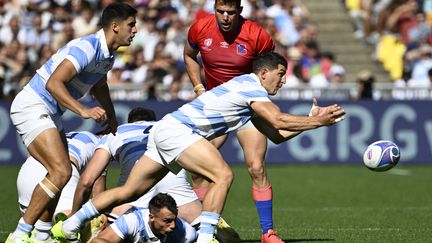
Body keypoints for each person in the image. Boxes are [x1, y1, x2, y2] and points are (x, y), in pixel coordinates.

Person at [53, 52, 345, 243]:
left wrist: (310, 119)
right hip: (178, 131)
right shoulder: (251, 86)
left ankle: (71, 224)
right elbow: (279, 117)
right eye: (281, 73)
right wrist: (319, 123)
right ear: (264, 72)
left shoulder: (250, 94)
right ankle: (205, 240)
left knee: (129, 192)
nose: (283, 80)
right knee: (224, 176)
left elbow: (278, 133)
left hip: (165, 130)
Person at [7, 3, 137, 243]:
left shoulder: (108, 55)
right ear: (115, 26)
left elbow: (100, 86)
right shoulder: (87, 47)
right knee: (61, 171)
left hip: (49, 110)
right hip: (32, 104)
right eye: (131, 25)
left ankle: (42, 236)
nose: (135, 30)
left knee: (60, 174)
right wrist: (83, 111)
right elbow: (53, 83)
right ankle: (20, 235)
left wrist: (112, 117)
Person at [183, 0, 282, 241]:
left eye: (231, 12)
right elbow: (189, 55)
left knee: (256, 167)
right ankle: (206, 224)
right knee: (197, 170)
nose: (225, 17)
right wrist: (198, 87)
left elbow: (268, 70)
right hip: (216, 107)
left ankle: (267, 232)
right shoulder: (199, 29)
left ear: (240, 11)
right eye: (221, 12)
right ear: (214, 10)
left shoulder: (257, 35)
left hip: (248, 107)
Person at [69, 107, 239, 242]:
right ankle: (208, 225)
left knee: (108, 218)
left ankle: (97, 224)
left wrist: (76, 215)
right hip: (179, 200)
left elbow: (87, 181)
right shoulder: (170, 127)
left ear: (130, 122)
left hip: (132, 199)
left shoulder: (116, 131)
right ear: (153, 120)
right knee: (201, 225)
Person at [16, 131, 103, 242]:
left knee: (35, 228)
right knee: (95, 218)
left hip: (27, 171)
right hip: (59, 173)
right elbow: (97, 195)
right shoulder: (102, 145)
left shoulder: (74, 135)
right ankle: (61, 227)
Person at [91, 193, 198, 243]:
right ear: (151, 217)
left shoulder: (186, 233)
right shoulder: (132, 221)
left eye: (174, 219)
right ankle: (100, 226)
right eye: (167, 221)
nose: (173, 226)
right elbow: (98, 241)